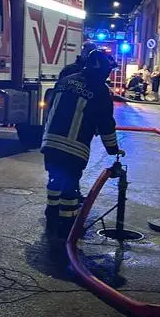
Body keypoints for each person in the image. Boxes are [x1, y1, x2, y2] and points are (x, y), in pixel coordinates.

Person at [41, 49, 125, 238]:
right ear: (103, 69)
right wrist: (113, 149)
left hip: (50, 143)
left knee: (54, 180)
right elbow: (105, 123)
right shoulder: (99, 90)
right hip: (73, 148)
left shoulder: (64, 81)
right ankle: (66, 230)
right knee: (70, 188)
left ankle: (51, 217)